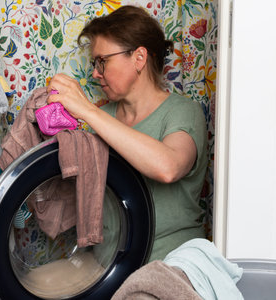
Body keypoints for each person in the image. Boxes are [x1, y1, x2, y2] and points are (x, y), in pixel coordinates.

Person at [46, 5, 208, 261]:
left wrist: (86, 110)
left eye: (102, 61)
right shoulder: (102, 116)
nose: (95, 73)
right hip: (108, 265)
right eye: (94, 63)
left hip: (169, 264)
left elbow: (168, 167)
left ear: (139, 58)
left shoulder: (184, 112)